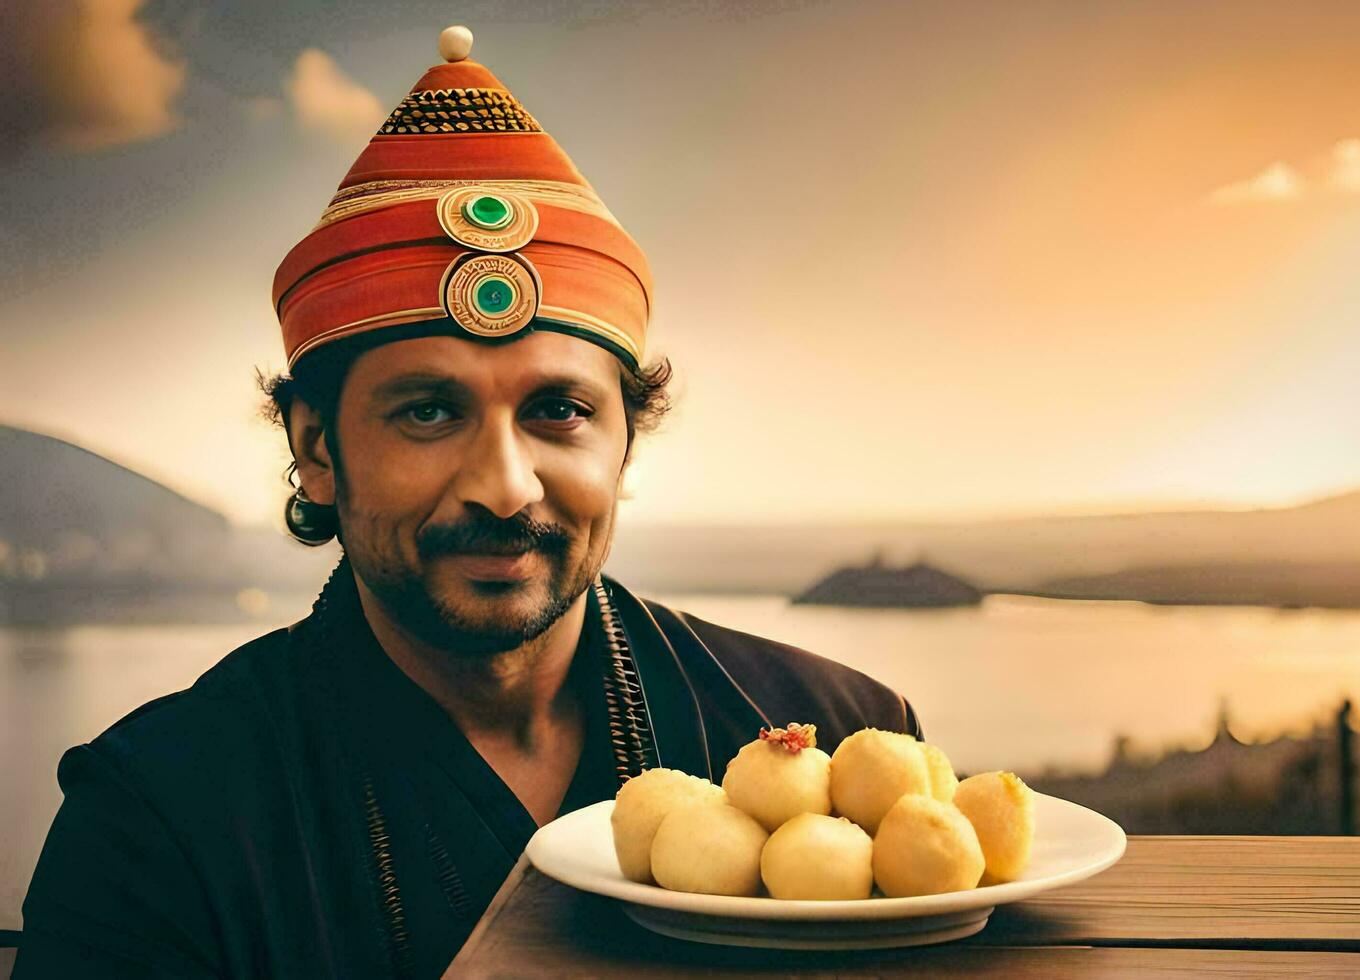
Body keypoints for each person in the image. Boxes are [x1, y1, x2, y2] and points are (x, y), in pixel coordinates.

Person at [15, 26, 925, 978]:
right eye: (428, 411)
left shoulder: (837, 742)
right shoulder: (162, 820)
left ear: (625, 445)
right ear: (317, 450)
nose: (504, 484)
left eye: (560, 411)